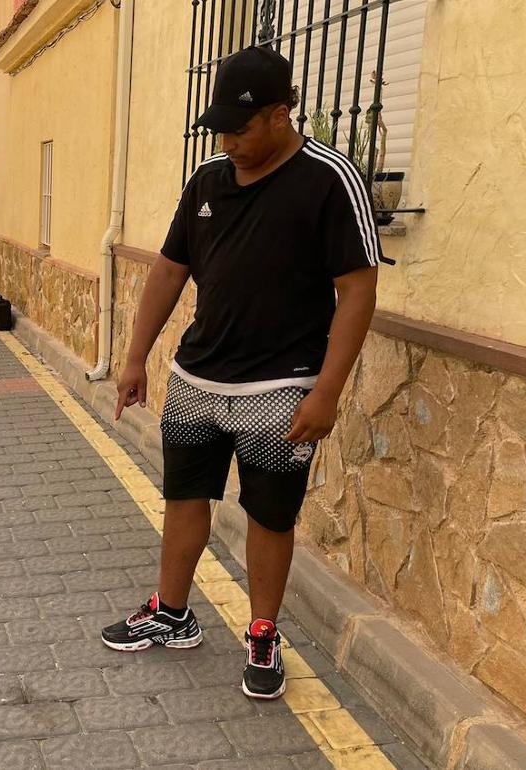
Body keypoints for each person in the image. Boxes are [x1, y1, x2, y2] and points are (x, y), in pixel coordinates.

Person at [100, 46, 380, 701]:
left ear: (281, 114)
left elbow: (359, 290)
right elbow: (169, 269)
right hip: (197, 378)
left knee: (268, 516)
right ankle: (172, 613)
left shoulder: (330, 178)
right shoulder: (207, 180)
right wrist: (135, 356)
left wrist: (327, 393)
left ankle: (262, 632)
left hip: (279, 389)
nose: (227, 142)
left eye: (240, 128)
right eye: (219, 128)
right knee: (183, 498)